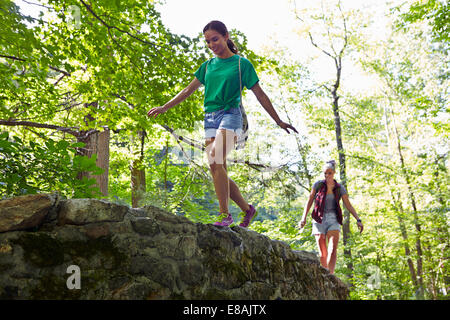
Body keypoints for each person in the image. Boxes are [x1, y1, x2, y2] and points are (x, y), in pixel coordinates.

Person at [147, 20, 298, 227]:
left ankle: (224, 214)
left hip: (231, 115)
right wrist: (164, 107)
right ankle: (247, 209)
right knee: (217, 167)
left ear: (226, 36)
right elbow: (187, 91)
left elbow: (260, 95)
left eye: (215, 39)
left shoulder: (241, 64)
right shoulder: (207, 66)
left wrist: (278, 120)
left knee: (214, 158)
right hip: (210, 117)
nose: (211, 45)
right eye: (208, 42)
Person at [297, 160, 363, 274]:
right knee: (323, 254)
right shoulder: (318, 185)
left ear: (334, 173)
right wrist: (303, 218)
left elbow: (348, 205)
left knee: (332, 250)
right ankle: (325, 275)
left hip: (334, 219)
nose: (327, 175)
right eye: (325, 173)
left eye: (329, 173)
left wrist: (358, 219)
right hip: (318, 219)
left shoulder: (339, 188)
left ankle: (330, 275)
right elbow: (309, 201)